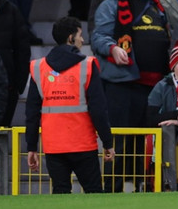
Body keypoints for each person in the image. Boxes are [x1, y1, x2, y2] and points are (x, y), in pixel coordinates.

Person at [91, 0, 170, 192]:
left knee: (144, 143)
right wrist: (112, 48)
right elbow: (98, 37)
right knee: (119, 141)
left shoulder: (158, 5)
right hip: (122, 85)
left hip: (154, 87)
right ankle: (112, 191)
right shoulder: (111, 4)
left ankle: (141, 190)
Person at [26, 17, 114, 194]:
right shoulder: (87, 65)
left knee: (60, 194)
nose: (82, 40)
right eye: (80, 35)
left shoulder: (38, 67)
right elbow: (98, 109)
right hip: (83, 144)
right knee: (94, 194)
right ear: (70, 38)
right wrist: (107, 141)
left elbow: (32, 113)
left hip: (53, 146)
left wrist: (31, 147)